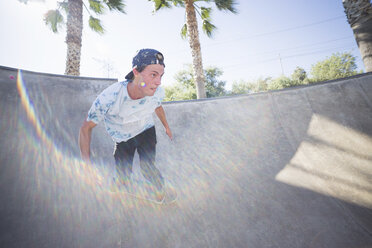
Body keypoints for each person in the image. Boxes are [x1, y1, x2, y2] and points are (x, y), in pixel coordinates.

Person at [79, 48, 172, 202]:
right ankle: (121, 185)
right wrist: (86, 165)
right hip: (122, 138)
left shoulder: (156, 92)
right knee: (123, 171)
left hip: (146, 130)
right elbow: (85, 128)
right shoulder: (110, 97)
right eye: (153, 75)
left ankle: (159, 188)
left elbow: (157, 106)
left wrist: (166, 126)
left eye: (161, 75)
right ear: (136, 72)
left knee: (148, 168)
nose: (158, 82)